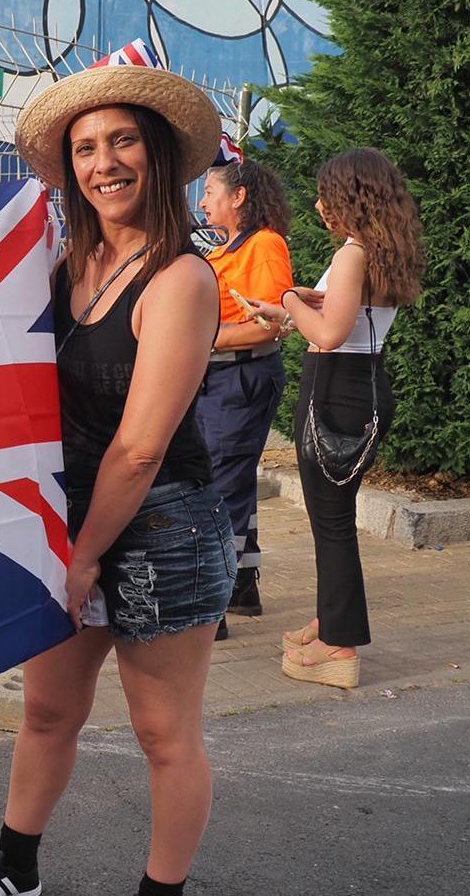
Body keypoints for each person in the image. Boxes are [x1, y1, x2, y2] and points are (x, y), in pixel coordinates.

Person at [0, 53, 233, 896]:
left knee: (163, 735)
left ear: (162, 156)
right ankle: (17, 869)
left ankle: (160, 891)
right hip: (73, 523)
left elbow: (140, 448)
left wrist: (81, 555)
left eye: (123, 142)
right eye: (85, 148)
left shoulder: (180, 280)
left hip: (163, 528)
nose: (103, 163)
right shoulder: (67, 266)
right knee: (48, 711)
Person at [247, 147, 424, 690]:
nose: (321, 204)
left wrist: (284, 298)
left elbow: (327, 334)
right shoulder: (384, 250)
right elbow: (346, 316)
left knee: (331, 524)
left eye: (328, 193)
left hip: (335, 392)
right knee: (335, 519)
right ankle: (334, 621)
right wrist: (299, 306)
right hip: (365, 386)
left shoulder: (353, 253)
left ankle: (338, 645)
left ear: (352, 196)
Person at [195, 158, 294, 639]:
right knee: (229, 481)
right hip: (222, 380)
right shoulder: (229, 249)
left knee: (221, 487)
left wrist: (200, 336)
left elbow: (269, 322)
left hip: (241, 378)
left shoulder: (265, 245)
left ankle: (210, 604)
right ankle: (239, 587)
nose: (203, 200)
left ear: (239, 197)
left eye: (211, 190)